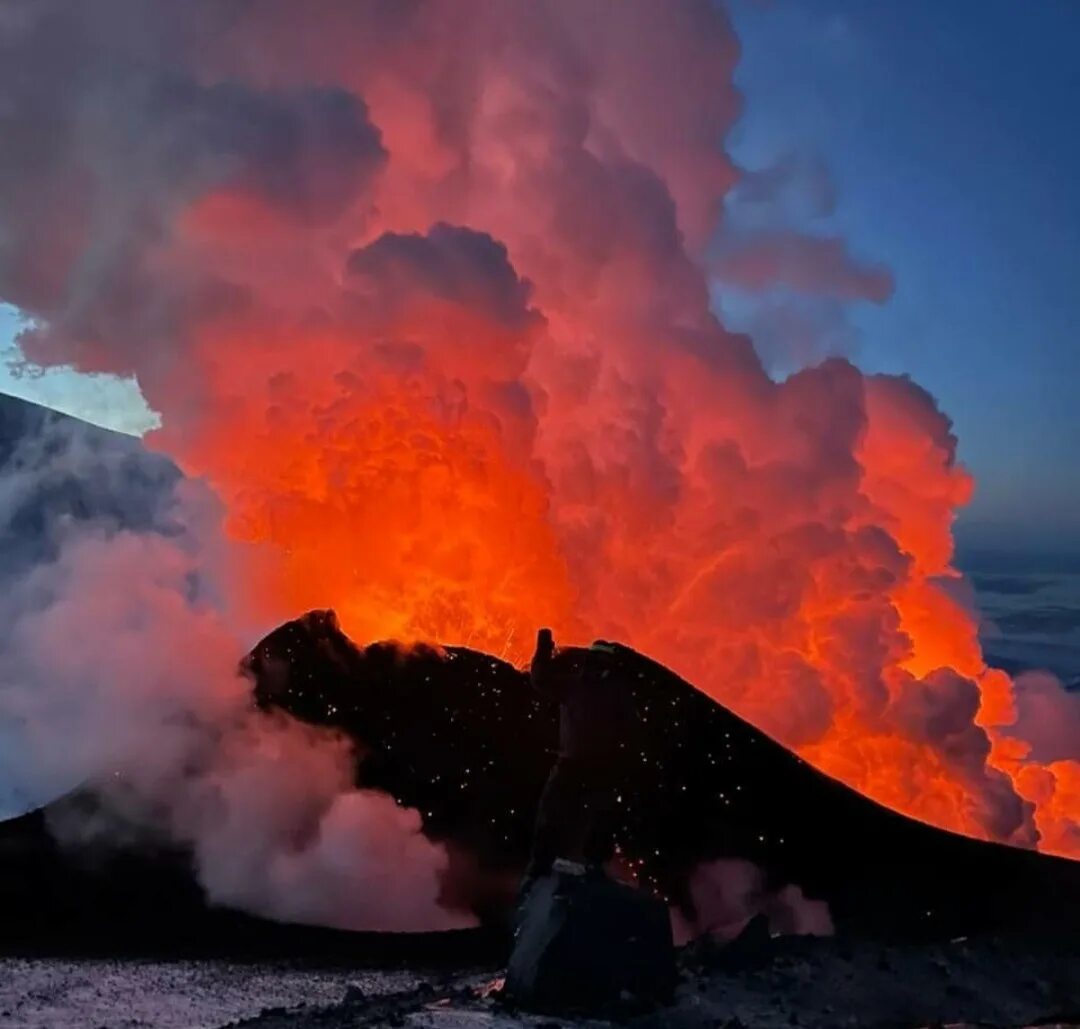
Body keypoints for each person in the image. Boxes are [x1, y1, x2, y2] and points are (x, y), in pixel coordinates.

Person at [523, 627, 636, 886]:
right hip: (588, 765)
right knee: (567, 814)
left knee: (574, 815)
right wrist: (543, 649)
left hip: (586, 765)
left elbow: (540, 678)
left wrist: (543, 650)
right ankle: (553, 866)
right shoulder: (601, 690)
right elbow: (631, 728)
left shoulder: (581, 686)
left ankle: (555, 867)